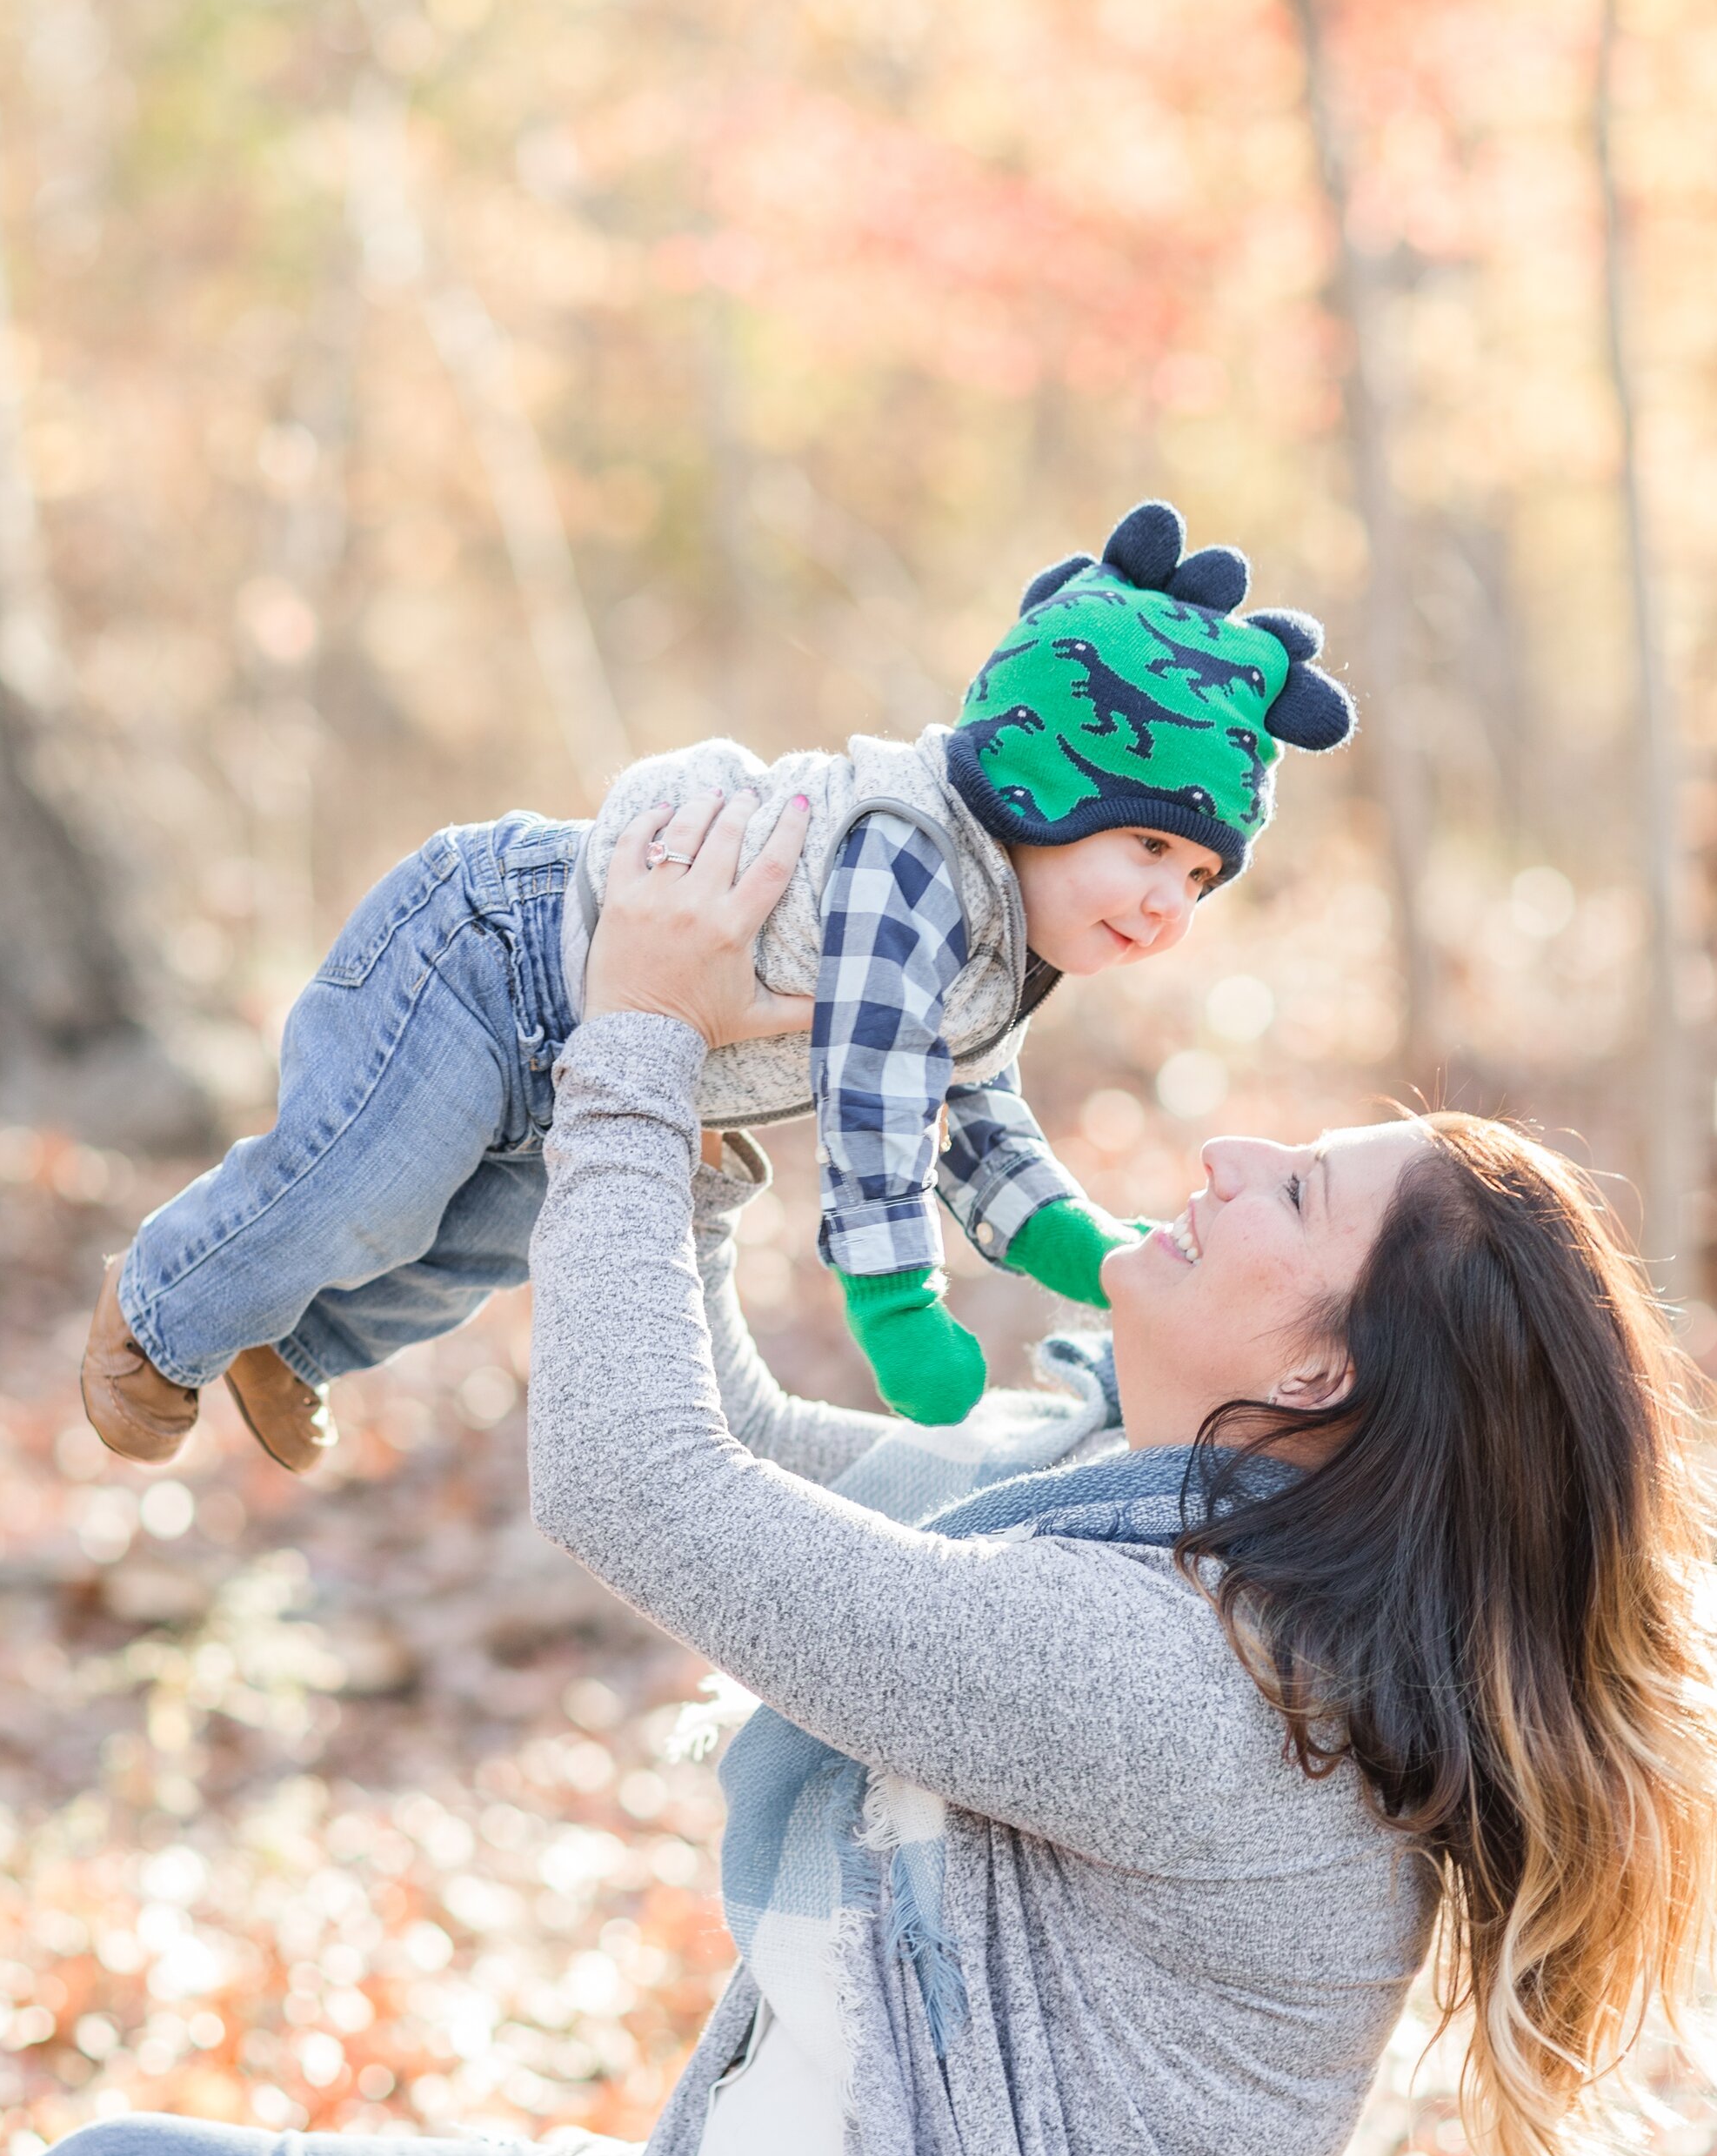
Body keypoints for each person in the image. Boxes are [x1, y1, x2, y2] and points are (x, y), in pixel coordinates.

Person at [4, 793, 1717, 2156]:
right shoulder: (1103, 1522)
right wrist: (681, 1121)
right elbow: (732, 1445)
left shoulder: (1186, 1683)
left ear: (1314, 1380)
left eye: (1292, 1197)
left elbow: (637, 1484)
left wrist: (637, 1044)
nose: (1225, 1160)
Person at [79, 499, 1355, 1472]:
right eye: (1147, 847)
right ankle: (159, 1308)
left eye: (1198, 879)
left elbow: (973, 1112)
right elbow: (871, 1090)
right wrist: (896, 1300)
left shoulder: (1003, 939)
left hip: (598, 1050)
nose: (1165, 906)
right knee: (369, 1186)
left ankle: (287, 1342)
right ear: (1047, 787)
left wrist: (1084, 1252)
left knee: (473, 1242)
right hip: (490, 955)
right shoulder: (909, 856)